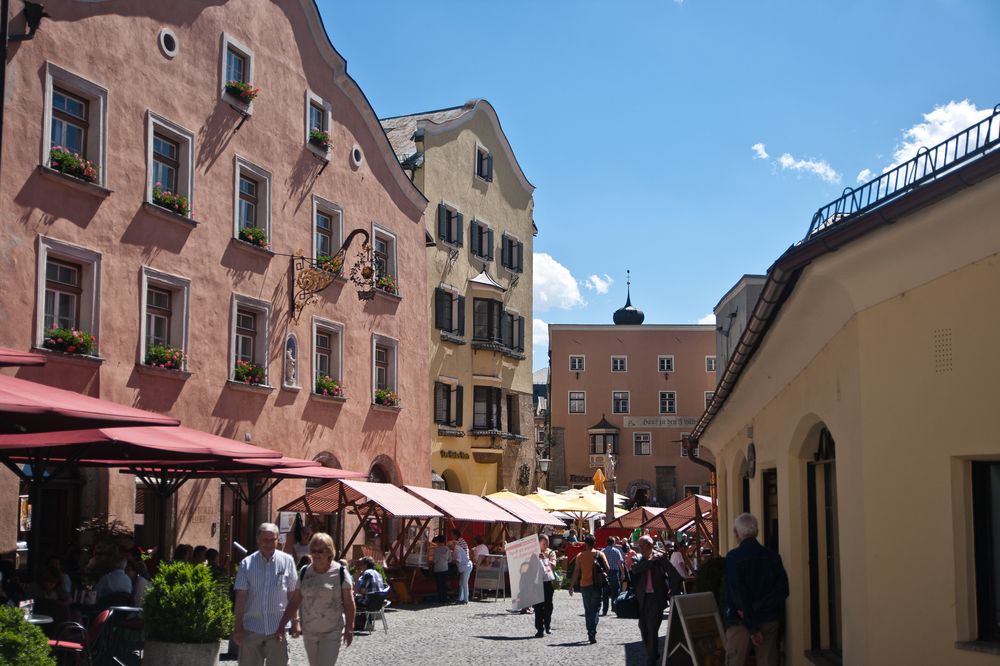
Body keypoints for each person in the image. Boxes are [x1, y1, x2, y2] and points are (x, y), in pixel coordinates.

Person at [276, 533, 354, 665]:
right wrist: (282, 625)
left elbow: (348, 603)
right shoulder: (305, 571)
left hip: (332, 630)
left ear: (329, 552)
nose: (316, 554)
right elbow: (295, 601)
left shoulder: (340, 572)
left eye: (320, 551)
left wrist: (349, 628)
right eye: (313, 551)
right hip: (310, 630)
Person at [724, 513, 789, 666]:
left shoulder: (733, 557)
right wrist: (761, 607)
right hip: (768, 619)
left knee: (735, 661)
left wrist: (752, 626)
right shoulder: (773, 557)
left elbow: (738, 594)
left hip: (741, 622)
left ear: (737, 533)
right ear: (756, 532)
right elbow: (783, 590)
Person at [233, 523, 298, 666]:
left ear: (277, 540)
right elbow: (241, 597)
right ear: (258, 540)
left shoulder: (288, 562)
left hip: (278, 627)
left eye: (272, 540)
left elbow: (292, 596)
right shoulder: (246, 564)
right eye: (265, 540)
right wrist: (238, 626)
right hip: (252, 626)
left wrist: (295, 622)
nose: (269, 544)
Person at [633, 535, 684, 666]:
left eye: (642, 545)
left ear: (650, 546)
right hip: (642, 599)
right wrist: (650, 561)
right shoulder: (638, 558)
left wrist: (671, 591)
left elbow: (675, 576)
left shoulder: (661, 559)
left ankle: (651, 660)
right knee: (643, 628)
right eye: (639, 545)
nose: (640, 547)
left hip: (656, 599)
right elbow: (636, 570)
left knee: (652, 628)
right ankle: (653, 653)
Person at [568, 534, 609, 644]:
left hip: (584, 585)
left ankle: (589, 630)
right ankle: (592, 631)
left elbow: (576, 571)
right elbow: (608, 568)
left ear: (585, 544)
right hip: (596, 585)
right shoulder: (600, 554)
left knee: (587, 609)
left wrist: (571, 585)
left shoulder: (580, 555)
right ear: (594, 542)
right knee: (595, 609)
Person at [532, 534, 557, 637]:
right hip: (537, 583)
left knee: (548, 606)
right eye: (543, 543)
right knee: (537, 607)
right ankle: (539, 629)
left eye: (547, 543)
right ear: (539, 543)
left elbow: (554, 565)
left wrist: (545, 559)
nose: (546, 545)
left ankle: (547, 624)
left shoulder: (551, 552)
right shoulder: (533, 553)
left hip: (547, 583)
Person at [601, 536, 626, 616]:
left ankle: (605, 610)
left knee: (605, 592)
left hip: (605, 573)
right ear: (614, 543)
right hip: (614, 572)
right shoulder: (617, 551)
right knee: (615, 591)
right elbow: (620, 563)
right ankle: (614, 608)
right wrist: (623, 573)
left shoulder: (603, 551)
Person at [452, 529, 473, 604]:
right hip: (467, 565)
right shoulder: (462, 541)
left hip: (465, 566)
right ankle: (461, 598)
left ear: (455, 535)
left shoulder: (457, 547)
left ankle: (465, 599)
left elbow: (458, 559)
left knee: (464, 583)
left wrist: (451, 560)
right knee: (462, 583)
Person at [431, 535, 451, 603]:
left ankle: (440, 599)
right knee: (444, 585)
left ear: (438, 541)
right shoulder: (447, 549)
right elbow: (449, 559)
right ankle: (445, 599)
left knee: (439, 585)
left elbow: (434, 560)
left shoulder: (436, 549)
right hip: (445, 568)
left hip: (438, 569)